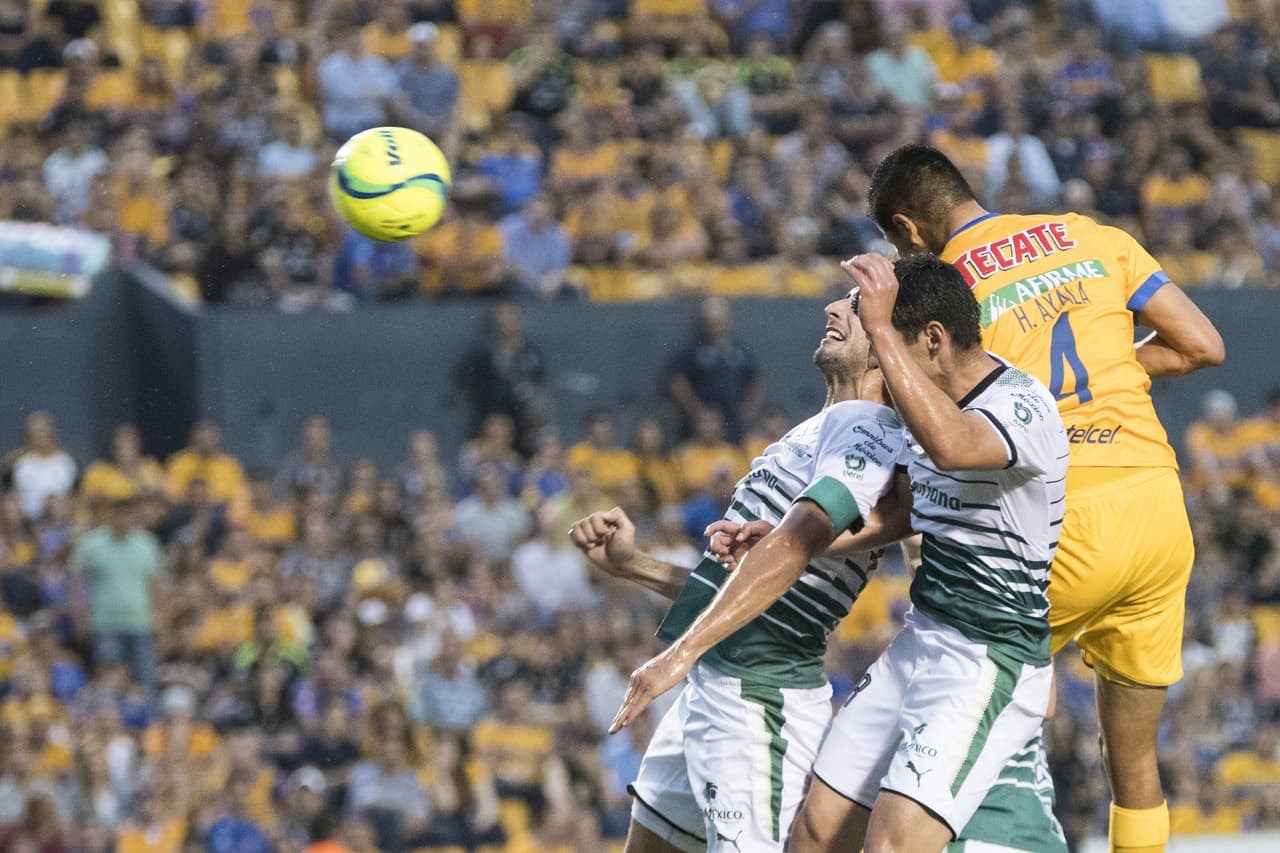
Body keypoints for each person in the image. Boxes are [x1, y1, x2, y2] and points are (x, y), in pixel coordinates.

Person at [865, 144, 1225, 853]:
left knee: (954, 714)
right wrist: (1116, 367)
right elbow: (1202, 345)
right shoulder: (1093, 237)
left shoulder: (945, 290)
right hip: (1155, 510)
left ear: (906, 230)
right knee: (1135, 766)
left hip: (1055, 526)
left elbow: (942, 428)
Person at [570, 290, 909, 851]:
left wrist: (679, 653)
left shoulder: (870, 431)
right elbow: (744, 585)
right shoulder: (809, 431)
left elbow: (793, 548)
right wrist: (634, 565)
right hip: (716, 679)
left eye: (852, 305)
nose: (832, 309)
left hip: (760, 697)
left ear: (884, 344)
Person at [70, 497, 162, 693]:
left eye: (128, 514)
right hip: (105, 622)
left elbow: (155, 585)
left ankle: (147, 721)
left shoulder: (147, 544)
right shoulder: (92, 543)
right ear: (111, 515)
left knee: (145, 678)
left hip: (140, 621)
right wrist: (80, 615)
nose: (123, 519)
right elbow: (77, 580)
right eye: (119, 514)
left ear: (134, 516)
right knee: (107, 679)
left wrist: (158, 616)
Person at [665, 297, 763, 443]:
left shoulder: (739, 351)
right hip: (703, 422)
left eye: (720, 320)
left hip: (733, 419)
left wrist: (748, 411)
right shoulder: (694, 351)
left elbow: (756, 380)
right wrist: (696, 410)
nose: (717, 325)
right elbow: (676, 380)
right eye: (712, 321)